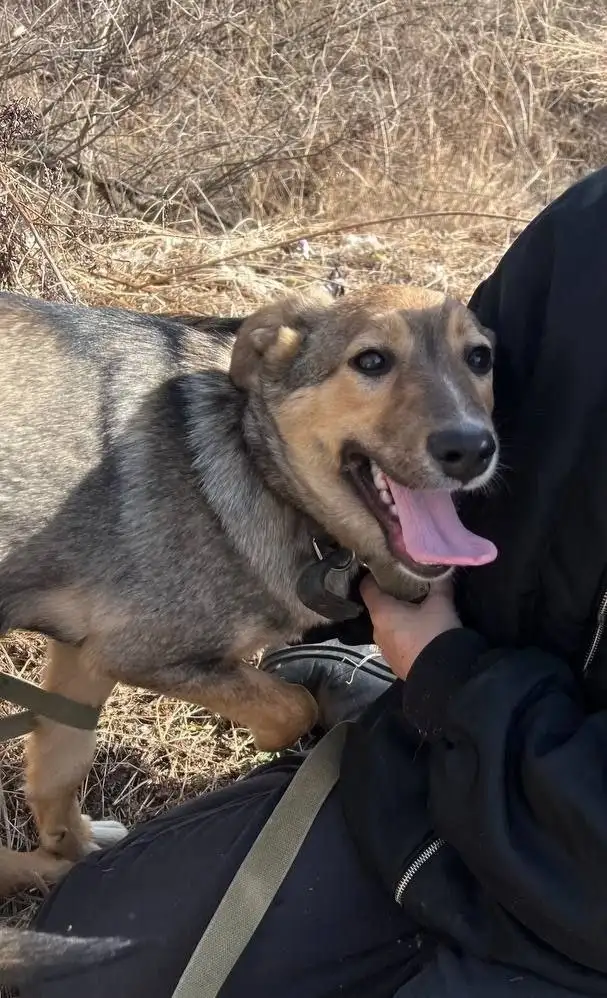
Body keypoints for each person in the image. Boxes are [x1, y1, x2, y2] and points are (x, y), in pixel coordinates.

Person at [25, 166, 607, 998]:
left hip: (568, 880)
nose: (465, 425)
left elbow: (116, 639)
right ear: (270, 359)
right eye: (376, 362)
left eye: (476, 362)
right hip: (457, 746)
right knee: (85, 955)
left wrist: (446, 673)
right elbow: (119, 639)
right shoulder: (586, 227)